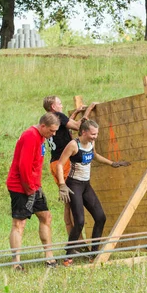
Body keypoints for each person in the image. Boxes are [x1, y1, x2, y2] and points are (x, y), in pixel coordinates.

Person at [56, 119, 130, 265]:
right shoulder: (73, 145)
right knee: (80, 221)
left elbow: (94, 155)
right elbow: (59, 164)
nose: (95, 136)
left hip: (86, 185)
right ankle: (68, 255)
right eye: (93, 134)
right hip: (73, 185)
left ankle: (94, 253)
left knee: (100, 217)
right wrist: (62, 185)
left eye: (96, 134)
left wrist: (112, 163)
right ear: (84, 132)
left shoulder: (91, 143)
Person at [6, 112, 60, 270]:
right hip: (20, 186)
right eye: (51, 130)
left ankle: (49, 257)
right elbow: (24, 166)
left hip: (34, 186)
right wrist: (29, 189)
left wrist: (36, 187)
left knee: (46, 217)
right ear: (42, 126)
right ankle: (15, 263)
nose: (53, 134)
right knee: (19, 223)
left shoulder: (42, 137)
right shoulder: (30, 136)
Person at [44, 96, 96, 236]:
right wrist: (89, 109)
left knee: (68, 204)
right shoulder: (58, 116)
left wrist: (75, 113)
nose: (61, 105)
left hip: (53, 163)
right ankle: (77, 242)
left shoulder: (50, 120)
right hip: (64, 162)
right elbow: (80, 127)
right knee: (73, 204)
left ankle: (73, 238)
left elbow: (65, 129)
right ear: (53, 107)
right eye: (59, 103)